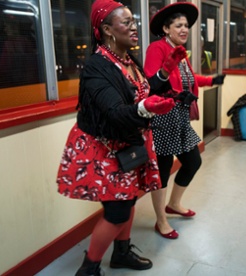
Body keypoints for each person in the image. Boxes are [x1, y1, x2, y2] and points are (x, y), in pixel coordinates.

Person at [56, 1, 176, 275]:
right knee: (118, 211)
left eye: (134, 21)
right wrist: (146, 108)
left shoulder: (127, 60)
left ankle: (121, 253)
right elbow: (114, 111)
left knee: (130, 199)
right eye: (126, 22)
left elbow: (141, 91)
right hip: (103, 147)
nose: (134, 27)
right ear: (107, 30)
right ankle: (88, 269)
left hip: (127, 142)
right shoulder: (96, 67)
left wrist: (164, 72)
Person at [143, 2, 226, 239]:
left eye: (186, 26)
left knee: (193, 161)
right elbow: (151, 84)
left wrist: (212, 80)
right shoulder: (157, 49)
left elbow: (189, 77)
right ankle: (161, 220)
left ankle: (174, 204)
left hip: (179, 117)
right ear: (166, 29)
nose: (184, 29)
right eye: (178, 25)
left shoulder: (180, 51)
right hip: (162, 116)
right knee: (163, 169)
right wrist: (174, 93)